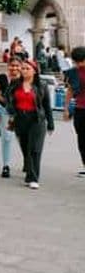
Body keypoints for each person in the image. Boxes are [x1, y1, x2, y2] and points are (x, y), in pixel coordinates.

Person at [5, 59, 54, 189]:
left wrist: (51, 124)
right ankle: (29, 172)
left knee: (34, 149)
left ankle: (33, 178)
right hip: (20, 118)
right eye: (23, 68)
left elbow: (47, 106)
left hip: (36, 119)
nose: (24, 71)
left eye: (27, 68)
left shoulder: (41, 85)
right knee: (25, 147)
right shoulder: (15, 84)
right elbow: (8, 98)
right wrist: (10, 110)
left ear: (34, 71)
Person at [0, 57, 22, 178]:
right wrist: (5, 101)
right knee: (6, 138)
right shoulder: (2, 78)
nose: (14, 68)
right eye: (12, 65)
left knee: (23, 138)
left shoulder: (23, 79)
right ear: (8, 66)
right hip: (5, 111)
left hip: (21, 113)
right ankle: (6, 165)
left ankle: (27, 163)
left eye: (17, 66)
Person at [62, 46, 85, 177]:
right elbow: (70, 90)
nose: (80, 64)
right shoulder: (73, 72)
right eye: (77, 62)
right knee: (82, 140)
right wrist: (66, 108)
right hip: (80, 109)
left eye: (82, 61)